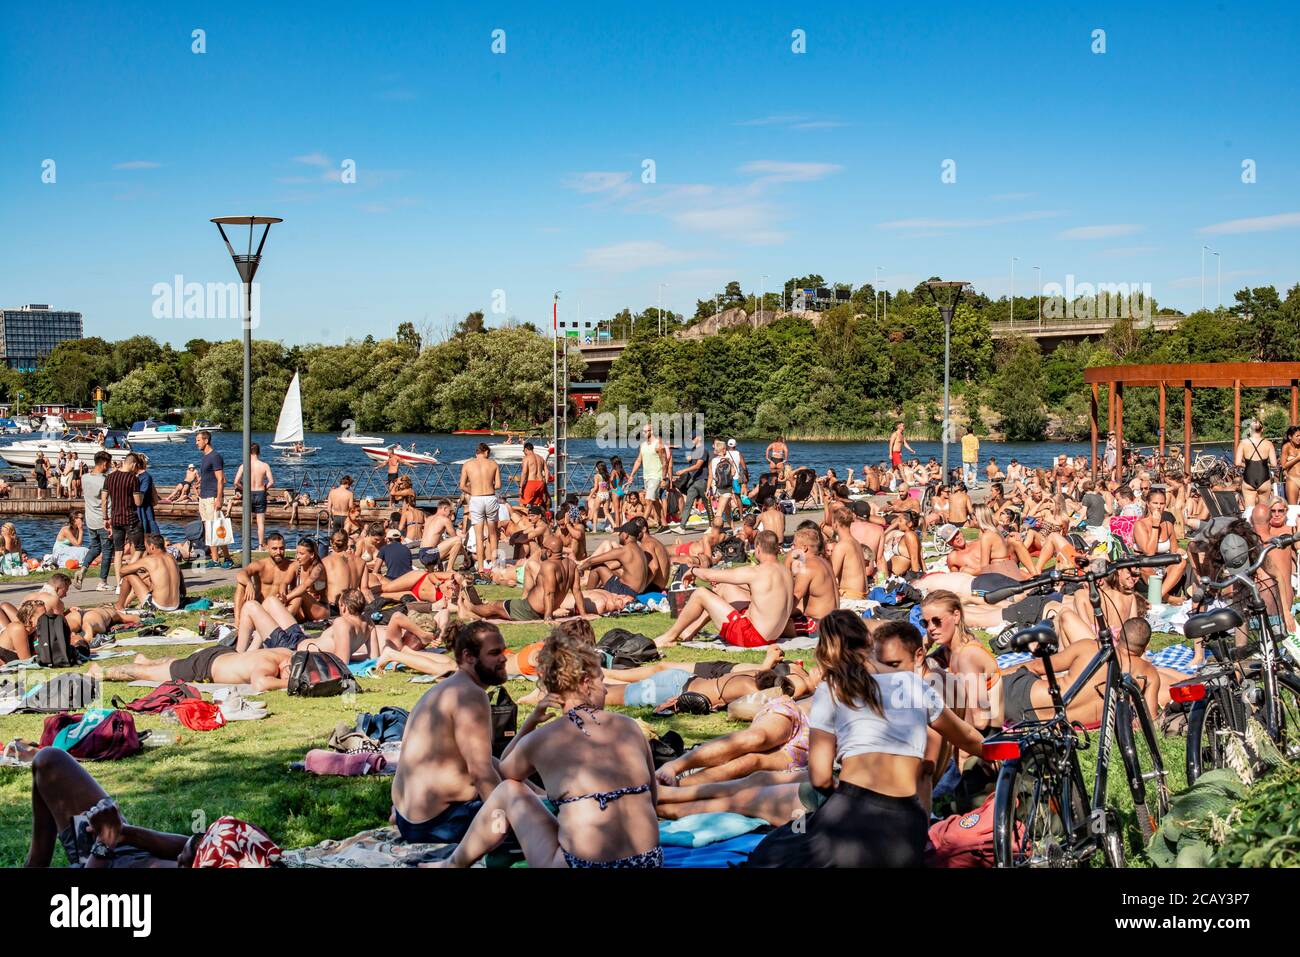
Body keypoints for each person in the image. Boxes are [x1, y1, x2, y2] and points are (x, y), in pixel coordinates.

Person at [433, 627, 661, 868]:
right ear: (585, 683)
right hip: (647, 861)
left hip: (584, 865)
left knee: (508, 791)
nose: (605, 689)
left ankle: (453, 864)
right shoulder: (630, 727)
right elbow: (652, 800)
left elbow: (505, 775)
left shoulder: (542, 739)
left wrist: (530, 723)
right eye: (601, 681)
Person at [793, 613, 985, 867]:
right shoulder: (913, 683)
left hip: (850, 811)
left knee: (785, 842)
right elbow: (967, 736)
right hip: (907, 822)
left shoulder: (831, 688)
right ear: (869, 641)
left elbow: (820, 778)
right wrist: (1001, 754)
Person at [390, 622, 509, 844]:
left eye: (503, 651)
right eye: (494, 653)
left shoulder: (445, 689)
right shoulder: (470, 695)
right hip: (439, 824)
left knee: (514, 778)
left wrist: (536, 793)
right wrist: (506, 819)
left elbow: (488, 762)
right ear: (469, 656)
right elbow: (481, 773)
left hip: (410, 820)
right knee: (533, 818)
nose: (503, 658)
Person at [1002, 618, 1161, 727]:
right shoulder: (1150, 674)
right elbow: (1150, 719)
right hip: (1060, 723)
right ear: (1145, 646)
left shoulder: (1092, 648)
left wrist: (999, 673)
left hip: (1023, 700)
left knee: (986, 689)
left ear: (1118, 635)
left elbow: (1037, 666)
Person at [654, 530, 793, 647]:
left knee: (701, 593)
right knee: (726, 587)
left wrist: (693, 570)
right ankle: (689, 631)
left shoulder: (758, 571)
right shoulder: (785, 572)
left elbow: (707, 576)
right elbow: (759, 589)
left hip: (751, 637)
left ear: (758, 548)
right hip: (771, 636)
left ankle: (670, 636)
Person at [90, 646, 293, 692]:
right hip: (205, 668)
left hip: (221, 654)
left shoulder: (286, 652)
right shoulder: (267, 666)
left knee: (176, 663)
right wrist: (290, 682)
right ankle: (101, 671)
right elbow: (260, 683)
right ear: (285, 665)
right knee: (149, 675)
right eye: (288, 673)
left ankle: (146, 659)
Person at [578, 520, 651, 598]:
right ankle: (592, 593)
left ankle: (587, 597)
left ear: (625, 535)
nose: (618, 535)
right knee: (613, 572)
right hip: (638, 592)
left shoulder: (625, 550)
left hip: (626, 592)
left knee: (597, 566)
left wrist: (579, 568)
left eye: (620, 533)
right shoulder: (639, 549)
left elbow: (591, 561)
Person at [459, 443, 502, 573]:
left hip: (476, 498)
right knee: (493, 534)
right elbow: (498, 485)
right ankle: (494, 565)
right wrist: (488, 488)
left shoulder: (467, 464)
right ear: (486, 452)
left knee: (478, 536)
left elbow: (462, 485)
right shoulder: (493, 464)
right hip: (490, 497)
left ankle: (481, 568)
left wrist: (473, 491)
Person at [114, 533, 182, 613]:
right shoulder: (171, 558)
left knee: (129, 576)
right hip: (175, 605)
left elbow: (122, 571)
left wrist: (133, 572)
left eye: (146, 548)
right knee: (146, 580)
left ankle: (119, 606)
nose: (146, 550)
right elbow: (180, 577)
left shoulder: (149, 559)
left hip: (157, 607)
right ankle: (125, 604)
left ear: (152, 547)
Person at [234, 532, 291, 623]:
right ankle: (238, 621)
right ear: (267, 548)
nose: (278, 552)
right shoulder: (260, 565)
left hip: (278, 609)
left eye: (281, 548)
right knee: (241, 584)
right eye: (274, 549)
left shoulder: (291, 566)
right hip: (259, 607)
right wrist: (249, 583)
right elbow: (241, 573)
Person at [193, 431, 231, 568]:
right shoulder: (205, 457)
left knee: (217, 528)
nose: (196, 443)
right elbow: (209, 475)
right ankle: (215, 559)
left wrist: (219, 498)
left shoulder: (215, 457)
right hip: (203, 497)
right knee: (208, 529)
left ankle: (227, 558)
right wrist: (200, 483)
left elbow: (221, 479)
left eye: (198, 440)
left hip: (212, 497)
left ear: (206, 440)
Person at [103, 452, 144, 576]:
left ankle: (119, 583)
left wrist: (105, 517)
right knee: (140, 548)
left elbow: (104, 499)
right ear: (133, 464)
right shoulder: (133, 479)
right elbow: (137, 502)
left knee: (118, 551)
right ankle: (127, 572)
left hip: (115, 518)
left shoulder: (109, 477)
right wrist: (141, 496)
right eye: (136, 467)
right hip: (130, 517)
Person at [232, 443, 275, 551]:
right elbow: (271, 482)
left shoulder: (244, 465)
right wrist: (265, 488)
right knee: (260, 522)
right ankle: (260, 546)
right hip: (260, 492)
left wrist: (244, 489)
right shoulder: (264, 465)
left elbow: (236, 482)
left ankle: (247, 545)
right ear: (259, 452)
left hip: (249, 493)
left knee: (248, 521)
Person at [627, 424, 668, 531]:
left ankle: (640, 527)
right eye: (643, 431)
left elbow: (665, 462)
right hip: (647, 476)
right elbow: (639, 460)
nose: (644, 433)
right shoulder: (643, 445)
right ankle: (665, 525)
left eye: (646, 431)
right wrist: (631, 475)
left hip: (656, 476)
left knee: (649, 500)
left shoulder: (658, 444)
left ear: (652, 430)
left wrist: (663, 478)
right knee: (655, 502)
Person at [1236, 418, 1278, 508]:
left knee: (1249, 510)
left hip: (1249, 477)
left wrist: (1247, 465)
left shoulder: (1243, 443)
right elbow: (1274, 464)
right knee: (1264, 509)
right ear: (1262, 430)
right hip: (1264, 477)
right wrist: (1264, 464)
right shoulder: (1268, 443)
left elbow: (1237, 463)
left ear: (1250, 430)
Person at [674, 434, 711, 529]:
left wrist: (683, 470)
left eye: (693, 438)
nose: (691, 440)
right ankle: (682, 527)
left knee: (707, 504)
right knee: (688, 504)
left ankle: (712, 526)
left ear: (699, 438)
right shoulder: (693, 450)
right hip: (693, 481)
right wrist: (689, 459)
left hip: (702, 480)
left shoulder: (703, 450)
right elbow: (692, 463)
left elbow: (698, 466)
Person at [417, 499, 465, 572]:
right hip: (430, 553)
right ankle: (449, 569)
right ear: (445, 509)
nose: (450, 514)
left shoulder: (429, 518)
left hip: (422, 553)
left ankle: (432, 569)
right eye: (450, 511)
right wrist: (466, 557)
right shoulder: (444, 519)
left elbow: (435, 540)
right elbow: (455, 538)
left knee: (450, 547)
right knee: (458, 540)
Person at [0, 599, 45, 663]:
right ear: (30, 617)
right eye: (43, 615)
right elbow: (27, 661)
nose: (47, 617)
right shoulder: (18, 629)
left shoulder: (33, 631)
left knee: (5, 605)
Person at [134, 454, 160, 536]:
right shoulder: (142, 476)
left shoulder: (145, 477)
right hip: (142, 507)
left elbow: (142, 493)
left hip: (144, 507)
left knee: (148, 527)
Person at [518, 442, 547, 508]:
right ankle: (538, 517)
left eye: (523, 451)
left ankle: (525, 518)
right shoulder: (541, 458)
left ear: (525, 450)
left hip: (531, 482)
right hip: (540, 483)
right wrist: (545, 487)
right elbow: (547, 472)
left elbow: (524, 473)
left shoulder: (526, 458)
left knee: (523, 504)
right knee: (536, 505)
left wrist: (520, 487)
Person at [1282, 425, 1300, 506]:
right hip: (1293, 480)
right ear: (1290, 437)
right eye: (1297, 436)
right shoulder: (1286, 447)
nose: (1299, 438)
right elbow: (1284, 466)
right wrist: (1297, 458)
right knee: (1293, 508)